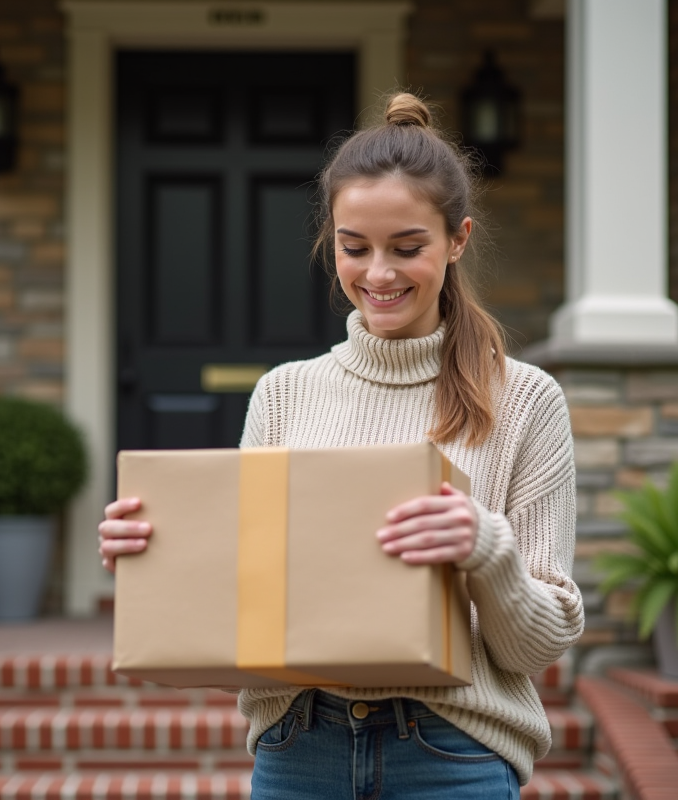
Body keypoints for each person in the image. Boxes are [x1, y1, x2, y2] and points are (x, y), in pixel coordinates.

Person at [99, 91, 583, 800]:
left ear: (458, 239)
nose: (378, 275)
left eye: (407, 248)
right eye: (355, 248)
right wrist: (155, 555)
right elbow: (252, 599)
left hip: (452, 756)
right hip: (301, 751)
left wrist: (487, 547)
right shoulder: (284, 393)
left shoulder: (526, 400)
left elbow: (534, 649)